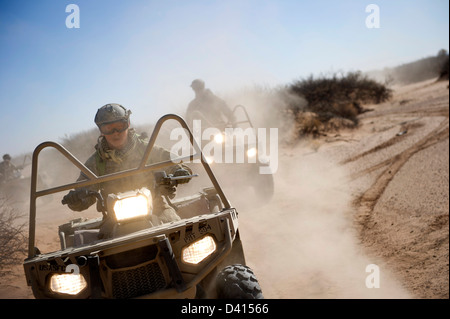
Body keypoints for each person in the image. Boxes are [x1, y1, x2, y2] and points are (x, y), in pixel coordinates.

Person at [62, 103, 192, 224]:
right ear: (101, 131)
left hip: (157, 208)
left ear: (128, 124)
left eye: (119, 126)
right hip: (114, 218)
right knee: (105, 245)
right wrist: (76, 199)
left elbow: (172, 163)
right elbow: (85, 193)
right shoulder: (96, 162)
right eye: (108, 128)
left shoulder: (146, 149)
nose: (115, 133)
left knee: (178, 229)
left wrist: (179, 172)